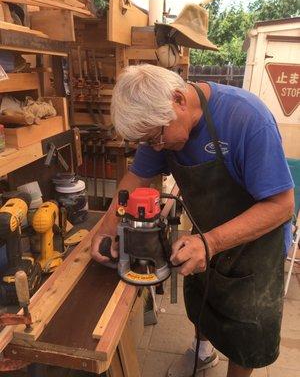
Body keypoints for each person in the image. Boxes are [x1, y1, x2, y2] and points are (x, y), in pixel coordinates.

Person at [91, 64, 294, 377]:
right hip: (202, 233)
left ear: (179, 100)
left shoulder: (246, 119)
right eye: (149, 142)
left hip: (255, 247)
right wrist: (105, 230)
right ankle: (202, 353)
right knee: (202, 301)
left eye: (158, 137)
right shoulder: (160, 129)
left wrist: (210, 242)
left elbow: (282, 206)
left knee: (246, 328)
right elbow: (137, 176)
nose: (156, 147)